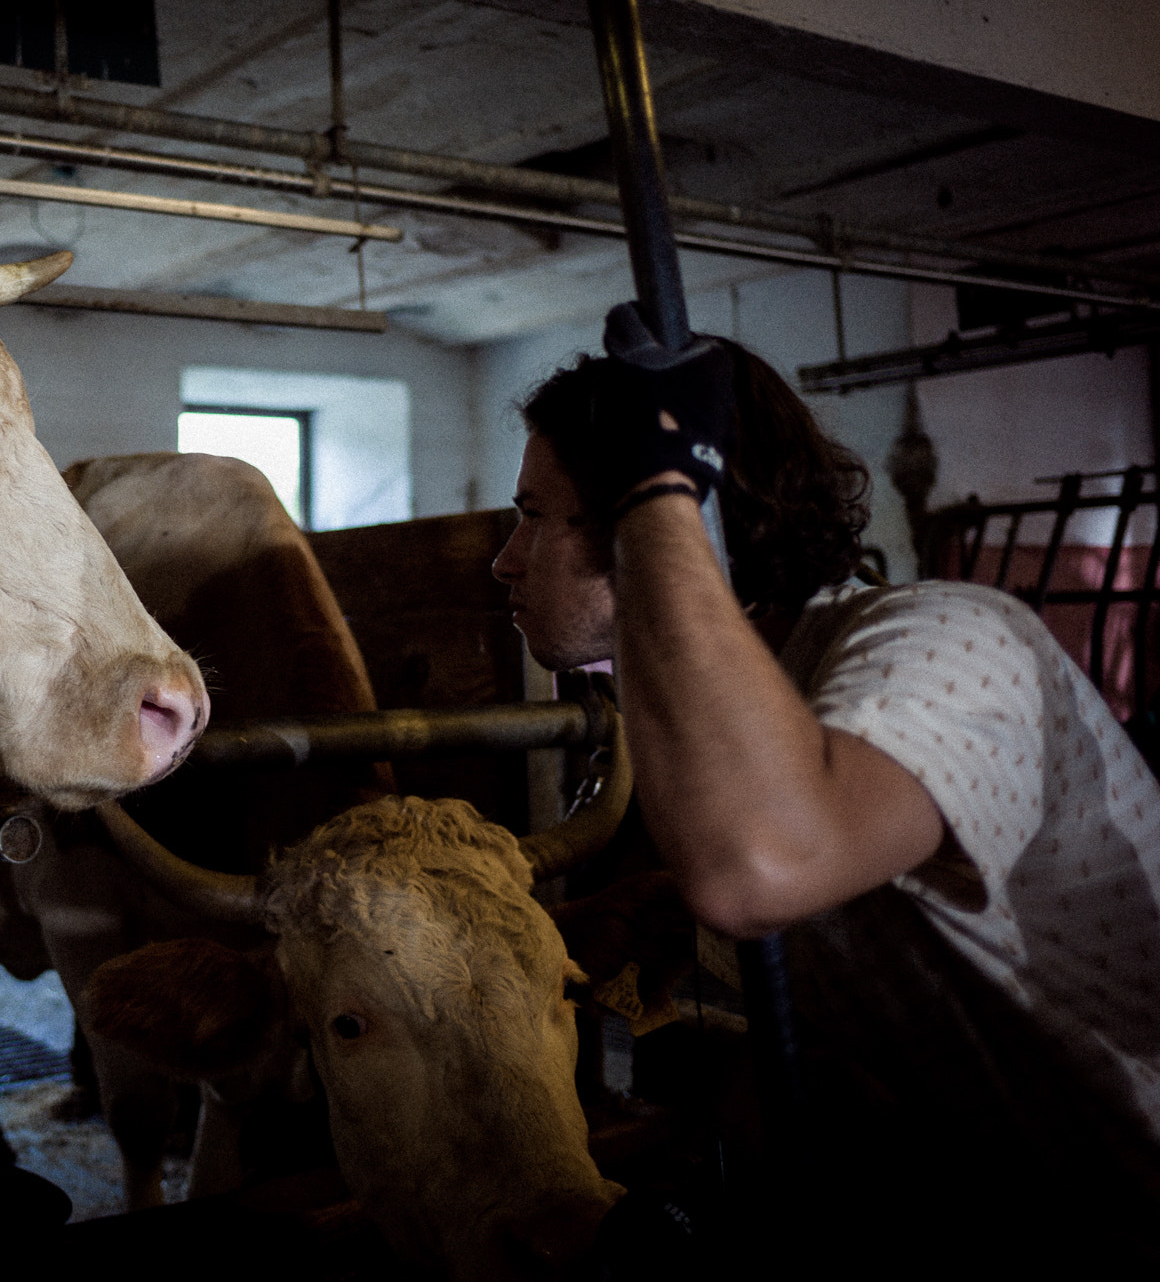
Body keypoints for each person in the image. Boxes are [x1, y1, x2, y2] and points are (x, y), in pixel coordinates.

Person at [492, 305, 1160, 1271]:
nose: (503, 559)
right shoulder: (762, 701)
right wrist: (665, 923)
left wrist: (661, 488)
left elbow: (757, 864)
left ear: (672, 512)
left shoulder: (948, 636)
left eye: (533, 517)